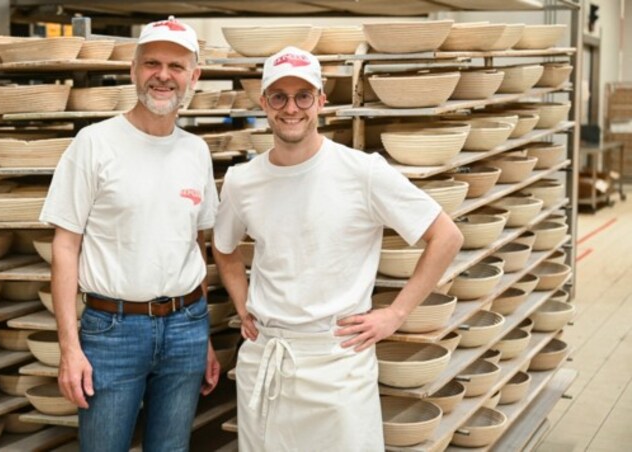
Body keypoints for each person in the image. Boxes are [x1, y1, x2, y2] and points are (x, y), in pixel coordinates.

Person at [212, 46, 464, 451]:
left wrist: (396, 314)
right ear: (263, 103)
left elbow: (446, 236)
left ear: (321, 102)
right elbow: (224, 249)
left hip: (337, 361)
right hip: (267, 358)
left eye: (303, 96)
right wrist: (243, 305)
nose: (290, 108)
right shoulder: (243, 181)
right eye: (278, 96)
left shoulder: (362, 173)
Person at [39, 16, 220, 452]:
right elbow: (66, 246)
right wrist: (69, 348)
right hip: (112, 332)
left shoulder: (196, 151)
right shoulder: (94, 143)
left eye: (176, 67)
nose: (163, 75)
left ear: (194, 76)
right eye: (152, 63)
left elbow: (193, 245)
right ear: (133, 71)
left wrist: (204, 338)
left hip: (186, 328)